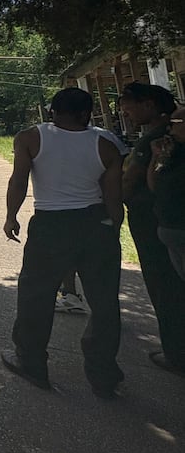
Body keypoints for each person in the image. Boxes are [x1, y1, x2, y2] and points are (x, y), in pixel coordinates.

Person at [2, 87, 125, 397]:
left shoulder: (31, 138)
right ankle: (104, 375)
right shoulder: (106, 144)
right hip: (95, 222)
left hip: (51, 224)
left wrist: (11, 216)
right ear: (87, 113)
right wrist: (112, 229)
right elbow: (114, 196)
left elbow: (18, 181)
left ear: (52, 111)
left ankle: (31, 362)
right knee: (104, 302)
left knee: (36, 296)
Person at [122, 82, 185, 376]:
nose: (125, 113)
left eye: (129, 107)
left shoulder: (156, 139)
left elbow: (132, 180)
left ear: (148, 104)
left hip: (154, 221)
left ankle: (176, 352)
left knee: (164, 285)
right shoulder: (166, 135)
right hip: (167, 219)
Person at [55, 125, 131, 314]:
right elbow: (123, 170)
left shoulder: (52, 138)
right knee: (99, 264)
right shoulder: (106, 137)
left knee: (68, 255)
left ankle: (72, 295)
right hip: (101, 207)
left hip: (72, 208)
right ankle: (102, 309)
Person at [148, 106, 185, 281]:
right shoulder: (175, 151)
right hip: (171, 227)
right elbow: (155, 186)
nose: (169, 129)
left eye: (174, 123)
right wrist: (157, 156)